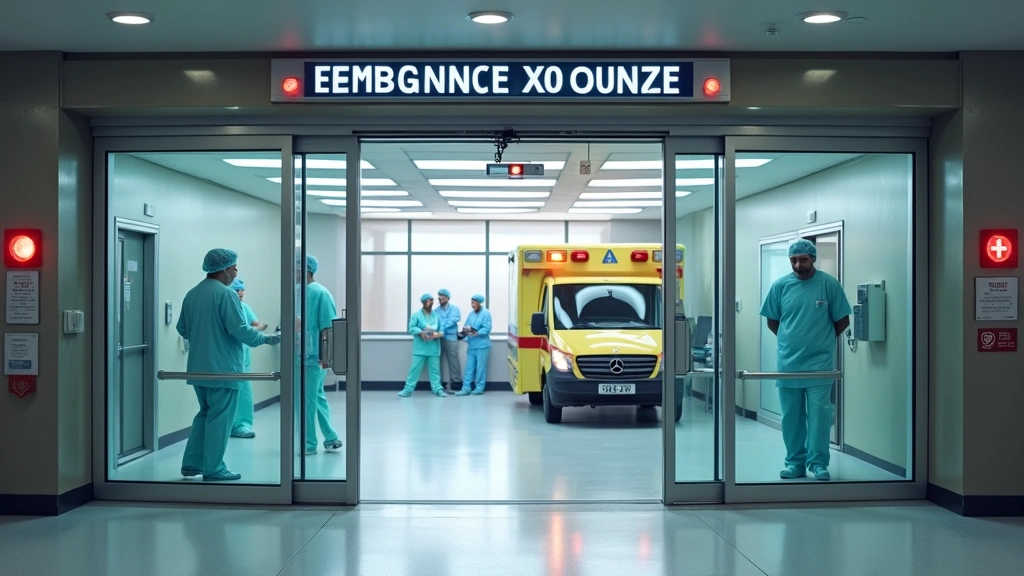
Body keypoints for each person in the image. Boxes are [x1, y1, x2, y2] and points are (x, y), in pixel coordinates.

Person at [176, 249, 280, 481]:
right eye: (234, 268)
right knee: (220, 420)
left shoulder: (192, 294)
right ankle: (214, 469)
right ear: (224, 269)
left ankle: (192, 463)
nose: (235, 272)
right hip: (223, 369)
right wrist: (268, 339)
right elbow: (241, 330)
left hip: (198, 368)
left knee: (204, 414)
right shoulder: (226, 295)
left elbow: (182, 329)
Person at [759, 239, 851, 482]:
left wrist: (819, 343)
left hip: (820, 366)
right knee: (792, 418)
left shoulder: (829, 285)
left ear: (813, 259)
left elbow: (842, 321)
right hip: (788, 365)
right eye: (793, 260)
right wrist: (792, 341)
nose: (798, 264)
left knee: (820, 416)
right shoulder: (780, 286)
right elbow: (772, 320)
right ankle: (795, 463)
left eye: (803, 259)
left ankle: (819, 463)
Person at [304, 255, 344, 456]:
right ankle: (330, 436)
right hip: (298, 355)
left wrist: (325, 357)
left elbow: (328, 329)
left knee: (308, 399)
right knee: (314, 396)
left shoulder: (321, 293)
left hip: (313, 357)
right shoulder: (295, 292)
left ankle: (308, 443)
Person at [229, 278, 268, 439]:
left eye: (242, 289)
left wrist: (255, 328)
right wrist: (253, 329)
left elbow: (258, 325)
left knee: (244, 394)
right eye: (237, 289)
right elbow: (247, 329)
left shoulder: (245, 308)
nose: (240, 292)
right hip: (227, 358)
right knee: (227, 394)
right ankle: (229, 426)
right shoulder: (228, 307)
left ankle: (241, 425)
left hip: (242, 358)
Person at [400, 293, 446, 398]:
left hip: (433, 348)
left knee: (435, 370)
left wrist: (438, 334)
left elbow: (441, 329)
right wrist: (421, 333)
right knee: (414, 370)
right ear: (424, 302)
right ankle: (407, 390)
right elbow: (411, 328)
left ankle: (437, 389)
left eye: (432, 300)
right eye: (428, 300)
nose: (431, 302)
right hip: (420, 348)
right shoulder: (416, 315)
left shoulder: (436, 316)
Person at [457, 294, 492, 396]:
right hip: (472, 345)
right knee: (469, 367)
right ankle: (466, 388)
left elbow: (487, 328)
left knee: (481, 368)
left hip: (482, 346)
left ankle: (479, 387)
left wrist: (478, 332)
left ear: (479, 303)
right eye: (471, 302)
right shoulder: (471, 314)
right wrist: (462, 333)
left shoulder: (486, 313)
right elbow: (466, 326)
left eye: (473, 302)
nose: (472, 305)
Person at [436, 288, 463, 393]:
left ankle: (456, 383)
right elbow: (435, 322)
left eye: (443, 296)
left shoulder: (454, 309)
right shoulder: (436, 311)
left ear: (448, 297)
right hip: (439, 338)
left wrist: (442, 329)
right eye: (439, 296)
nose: (441, 298)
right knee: (437, 361)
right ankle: (438, 384)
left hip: (451, 337)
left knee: (453, 360)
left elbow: (452, 320)